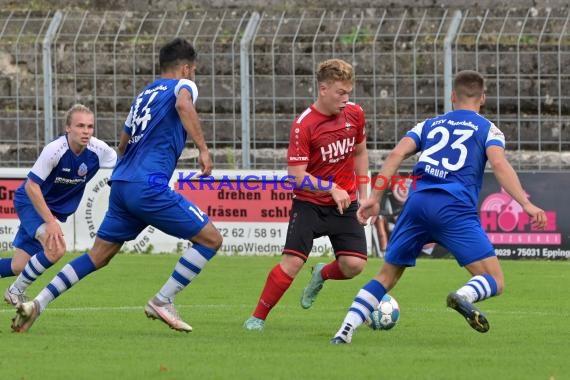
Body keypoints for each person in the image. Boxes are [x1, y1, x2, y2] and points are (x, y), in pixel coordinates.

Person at [12, 37, 223, 333]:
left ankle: (37, 303)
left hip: (122, 184)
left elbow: (123, 143)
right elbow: (183, 104)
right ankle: (163, 300)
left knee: (98, 256)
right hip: (148, 186)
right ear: (186, 68)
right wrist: (203, 148)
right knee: (211, 239)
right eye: (194, 70)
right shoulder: (182, 86)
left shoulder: (143, 96)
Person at [330, 70, 548, 344]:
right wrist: (526, 204)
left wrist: (374, 196)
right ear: (482, 98)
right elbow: (500, 165)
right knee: (495, 280)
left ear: (452, 96)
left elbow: (397, 154)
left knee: (386, 276)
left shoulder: (429, 125)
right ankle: (464, 296)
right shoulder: (488, 129)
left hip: (418, 203)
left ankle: (344, 331)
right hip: (454, 207)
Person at [243, 58, 369, 331]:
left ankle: (322, 273)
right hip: (310, 204)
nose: (346, 99)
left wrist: (366, 195)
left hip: (345, 202)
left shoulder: (355, 114)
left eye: (349, 92)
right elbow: (296, 176)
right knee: (291, 263)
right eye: (340, 93)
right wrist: (329, 188)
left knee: (354, 265)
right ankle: (257, 318)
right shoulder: (304, 125)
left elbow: (360, 152)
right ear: (323, 89)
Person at [0, 104, 117, 305]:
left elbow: (121, 162)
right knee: (56, 248)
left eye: (90, 126)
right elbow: (32, 186)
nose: (86, 131)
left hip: (49, 209)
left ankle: (16, 285)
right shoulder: (55, 150)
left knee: (19, 266)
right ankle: (15, 291)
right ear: (68, 128)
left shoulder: (100, 151)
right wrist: (50, 222)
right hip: (30, 201)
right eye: (80, 126)